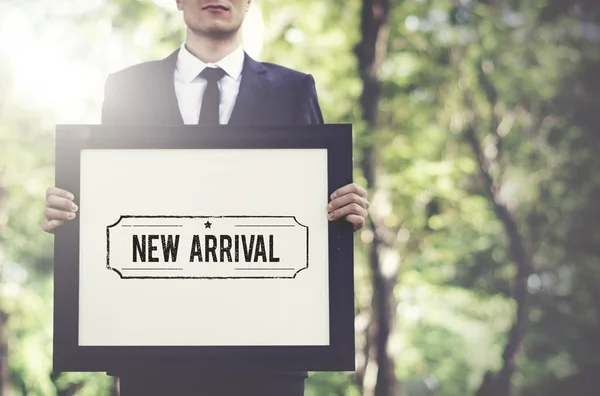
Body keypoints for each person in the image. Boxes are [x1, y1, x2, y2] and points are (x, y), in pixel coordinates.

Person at [43, 0, 369, 394]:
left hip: (267, 354)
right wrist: (71, 214)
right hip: (153, 352)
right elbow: (109, 200)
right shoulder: (127, 87)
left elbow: (316, 208)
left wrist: (343, 211)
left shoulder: (294, 88)